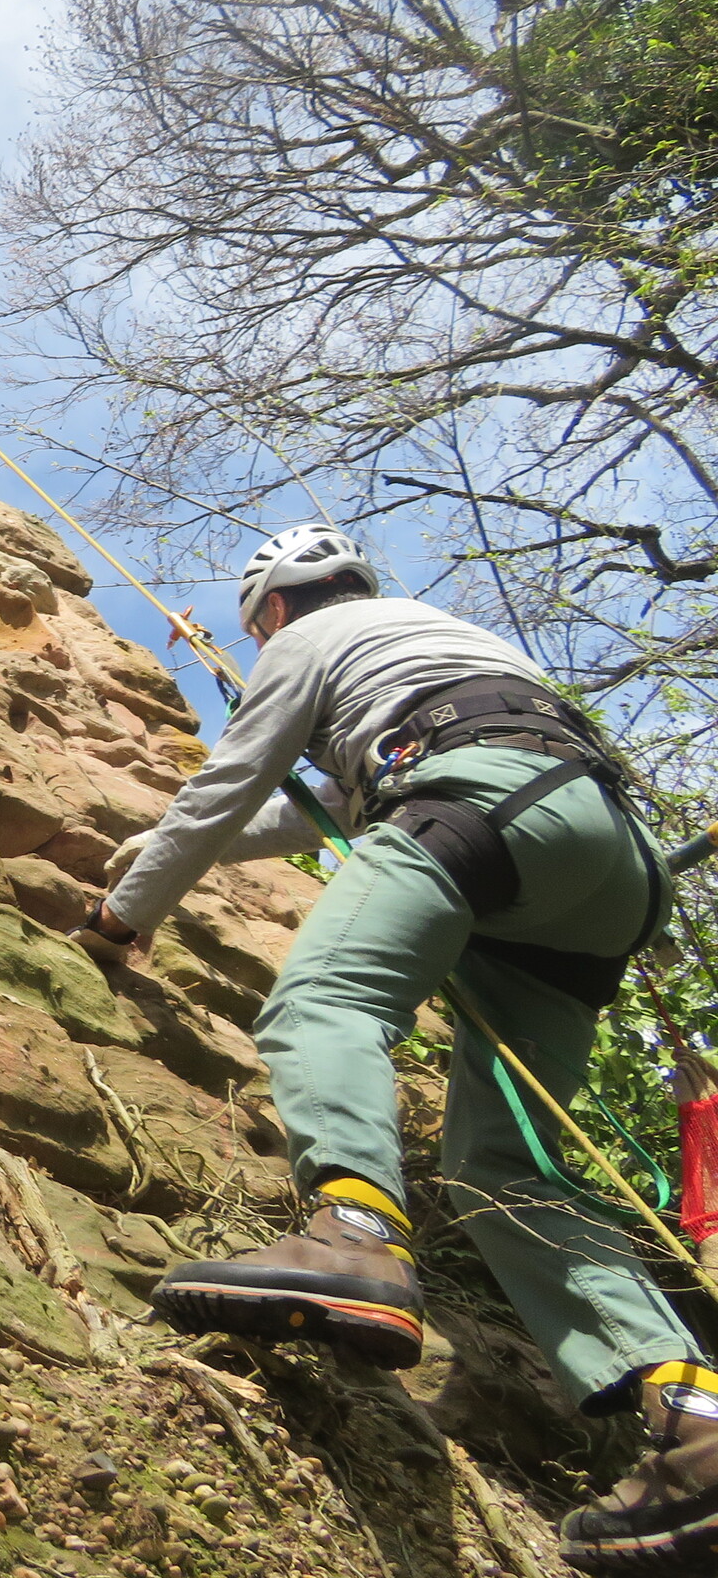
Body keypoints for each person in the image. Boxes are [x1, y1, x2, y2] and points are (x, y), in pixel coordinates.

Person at [85, 524, 714, 1573]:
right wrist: (166, 850)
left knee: (326, 999)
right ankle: (694, 1421)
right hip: (607, 864)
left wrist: (122, 916)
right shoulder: (433, 640)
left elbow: (230, 781)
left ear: (272, 609)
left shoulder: (302, 641)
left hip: (482, 804)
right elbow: (329, 808)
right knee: (506, 1171)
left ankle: (354, 1236)